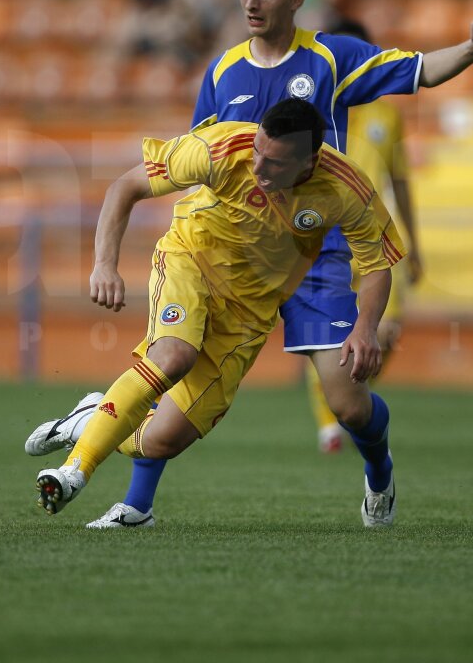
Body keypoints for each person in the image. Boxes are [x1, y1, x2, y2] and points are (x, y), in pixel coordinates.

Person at [65, 0, 473, 530]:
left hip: (314, 251)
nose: (251, 3)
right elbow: (198, 158)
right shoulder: (223, 70)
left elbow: (420, 70)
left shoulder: (329, 58)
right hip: (235, 250)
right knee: (175, 364)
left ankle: (379, 470)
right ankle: (136, 503)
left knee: (347, 402)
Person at [27, 98, 404, 525]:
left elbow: (377, 266)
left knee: (163, 440)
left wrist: (366, 328)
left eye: (274, 163)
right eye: (258, 152)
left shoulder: (346, 188)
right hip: (191, 261)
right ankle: (75, 470)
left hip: (249, 310)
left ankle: (92, 419)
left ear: (309, 161)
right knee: (172, 356)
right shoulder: (222, 148)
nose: (258, 167)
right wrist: (103, 264)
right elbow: (125, 187)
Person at [310, 16, 423, 454]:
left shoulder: (386, 115)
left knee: (385, 331)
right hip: (324, 236)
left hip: (375, 236)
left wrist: (415, 243)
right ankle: (330, 424)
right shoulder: (314, 109)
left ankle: (351, 398)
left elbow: (401, 180)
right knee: (323, 331)